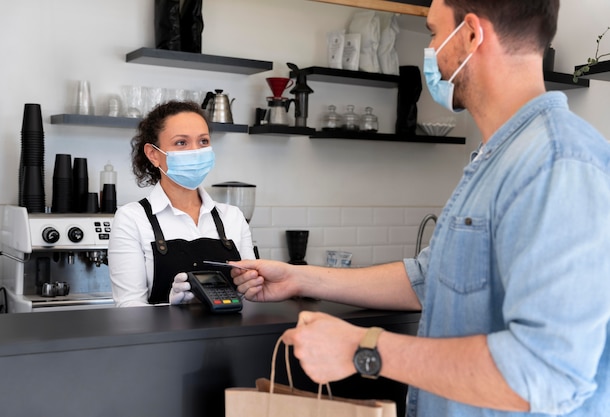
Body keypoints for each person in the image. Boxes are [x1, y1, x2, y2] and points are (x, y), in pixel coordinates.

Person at [230, 0, 610, 416]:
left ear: (470, 34)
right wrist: (300, 279)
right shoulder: (497, 157)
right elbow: (431, 281)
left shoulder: (557, 164)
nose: (431, 52)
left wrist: (363, 347)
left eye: (432, 32)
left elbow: (547, 372)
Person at [108, 101, 255, 307]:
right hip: (163, 339)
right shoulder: (131, 218)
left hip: (228, 338)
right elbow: (129, 307)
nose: (195, 151)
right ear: (153, 154)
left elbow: (249, 297)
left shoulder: (232, 217)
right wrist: (172, 309)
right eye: (181, 143)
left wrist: (255, 286)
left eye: (203, 141)